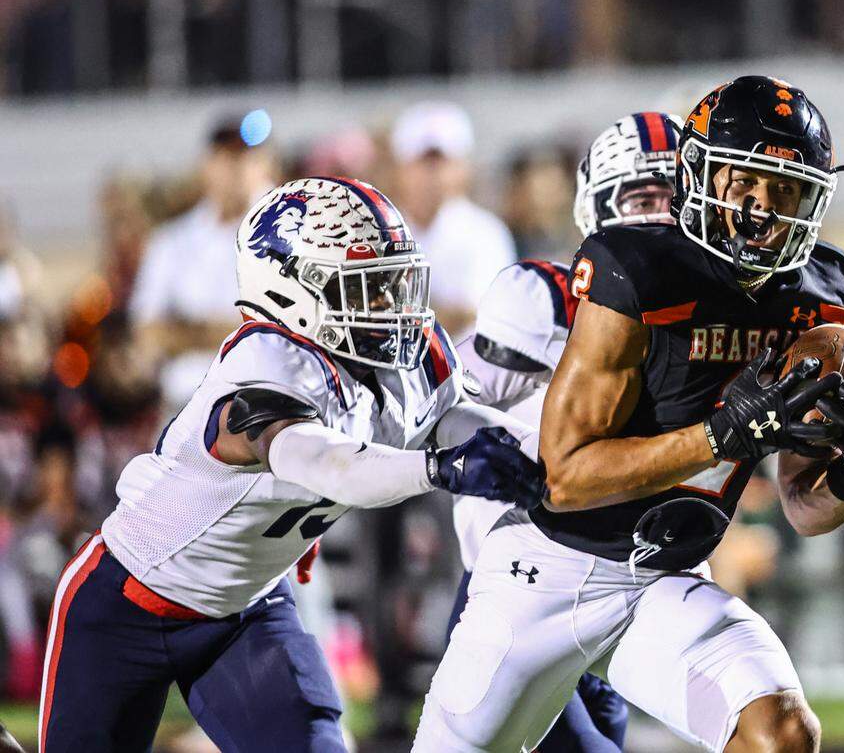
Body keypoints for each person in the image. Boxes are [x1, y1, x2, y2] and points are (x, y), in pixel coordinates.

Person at [413, 76, 844, 753]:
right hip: (548, 568)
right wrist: (718, 436)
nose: (764, 208)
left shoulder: (823, 299)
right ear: (700, 177)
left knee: (782, 733)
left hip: (668, 577)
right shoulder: (639, 273)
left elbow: (804, 507)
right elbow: (566, 476)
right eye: (746, 183)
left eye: (787, 189)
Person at [37, 177, 547, 753]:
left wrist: (539, 452)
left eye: (390, 281)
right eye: (366, 288)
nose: (390, 304)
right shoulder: (266, 363)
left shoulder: (402, 356)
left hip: (247, 608)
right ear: (291, 292)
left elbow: (451, 416)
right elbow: (327, 462)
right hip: (125, 605)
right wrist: (439, 470)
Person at [451, 111, 681, 752]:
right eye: (642, 197)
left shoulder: (708, 323)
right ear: (598, 208)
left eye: (677, 197)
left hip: (630, 588)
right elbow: (434, 407)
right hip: (521, 591)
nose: (661, 216)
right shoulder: (547, 304)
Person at [129, 117, 278, 410]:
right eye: (227, 158)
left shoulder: (290, 237)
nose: (237, 169)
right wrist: (232, 330)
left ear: (267, 165)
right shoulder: (172, 240)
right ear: (207, 164)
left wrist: (185, 329)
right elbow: (145, 331)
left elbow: (281, 333)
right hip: (184, 403)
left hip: (263, 402)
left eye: (247, 158)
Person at [391, 101, 517, 333]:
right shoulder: (382, 228)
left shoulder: (486, 232)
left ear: (463, 168)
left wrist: (395, 309)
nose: (433, 174)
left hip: (465, 366)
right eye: (423, 162)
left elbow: (472, 312)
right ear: (400, 168)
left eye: (442, 162)